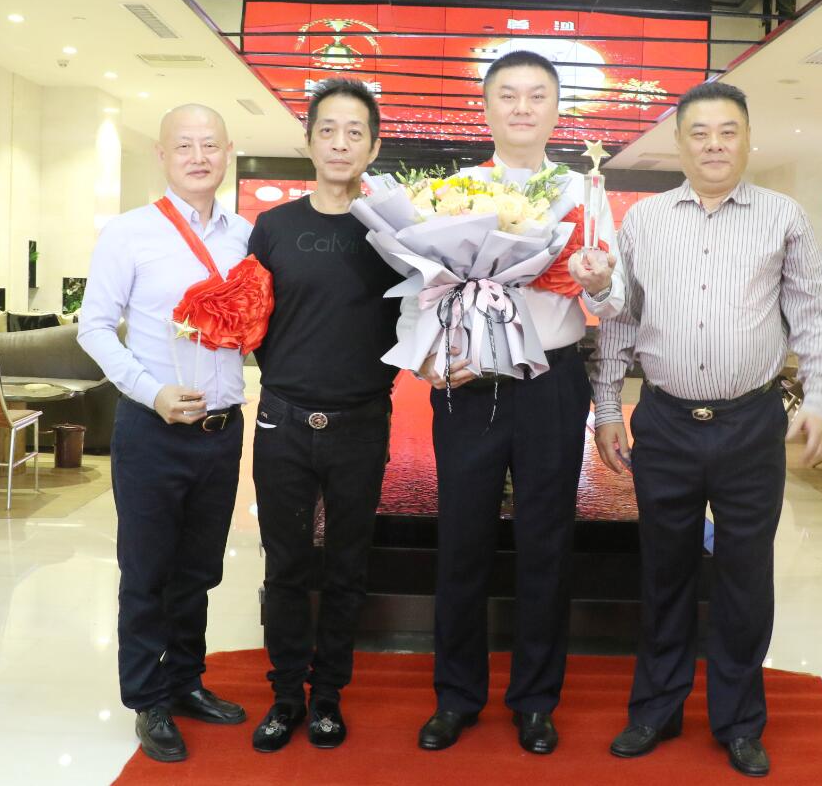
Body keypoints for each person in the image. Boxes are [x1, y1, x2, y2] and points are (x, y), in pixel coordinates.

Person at [592, 81, 822, 778]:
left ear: (747, 139)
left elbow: (813, 313)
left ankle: (738, 721)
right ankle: (656, 708)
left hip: (750, 423)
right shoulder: (643, 221)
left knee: (744, 576)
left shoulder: (782, 217)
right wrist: (607, 408)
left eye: (727, 131)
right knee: (664, 570)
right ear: (678, 143)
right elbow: (620, 320)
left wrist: (820, 399)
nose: (713, 145)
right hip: (665, 422)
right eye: (698, 133)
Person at [411, 49, 625, 755]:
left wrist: (598, 283)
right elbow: (425, 293)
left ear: (557, 110)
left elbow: (615, 301)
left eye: (537, 95)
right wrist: (434, 361)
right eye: (508, 95)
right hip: (471, 386)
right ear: (487, 107)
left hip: (552, 383)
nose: (523, 107)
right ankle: (456, 696)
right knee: (460, 542)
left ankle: (536, 700)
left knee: (546, 544)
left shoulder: (583, 192)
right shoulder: (454, 191)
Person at [78, 105, 252, 763]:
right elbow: (94, 326)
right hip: (152, 429)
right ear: (162, 154)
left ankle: (185, 682)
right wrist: (151, 391)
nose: (198, 157)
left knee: (198, 571)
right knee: (147, 571)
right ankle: (147, 699)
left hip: (221, 430)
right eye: (185, 146)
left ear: (228, 151)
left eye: (210, 145)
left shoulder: (246, 236)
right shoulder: (129, 233)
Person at [248, 79, 402, 752]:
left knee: (346, 566)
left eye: (355, 132)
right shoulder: (273, 227)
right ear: (308, 141)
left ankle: (329, 696)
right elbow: (250, 317)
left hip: (361, 422)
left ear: (373, 146)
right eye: (328, 130)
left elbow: (417, 319)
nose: (341, 143)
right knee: (285, 566)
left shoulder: (393, 232)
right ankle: (286, 695)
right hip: (282, 420)